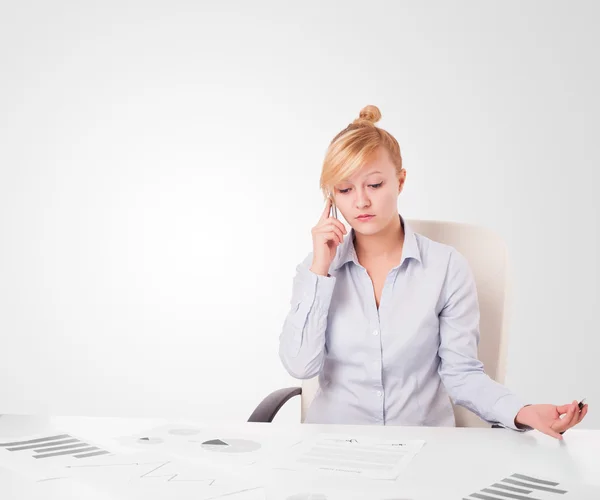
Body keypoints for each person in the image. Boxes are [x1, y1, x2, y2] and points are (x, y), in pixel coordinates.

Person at [278, 105, 588, 439]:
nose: (361, 202)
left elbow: (462, 374)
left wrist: (521, 412)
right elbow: (300, 365)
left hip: (421, 450)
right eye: (345, 190)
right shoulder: (316, 271)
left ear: (400, 181)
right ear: (331, 198)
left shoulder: (446, 268)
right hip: (333, 448)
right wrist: (320, 270)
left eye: (375, 184)